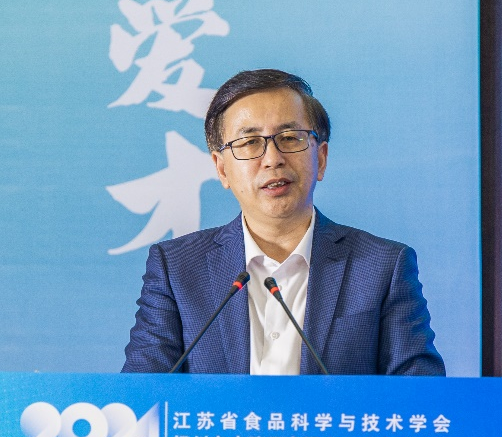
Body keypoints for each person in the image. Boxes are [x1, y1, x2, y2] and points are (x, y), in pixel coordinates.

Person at [122, 69, 445, 376]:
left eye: (290, 138)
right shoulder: (177, 268)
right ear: (221, 169)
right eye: (250, 142)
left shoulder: (382, 267)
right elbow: (138, 397)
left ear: (321, 158)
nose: (273, 159)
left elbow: (420, 396)